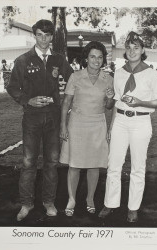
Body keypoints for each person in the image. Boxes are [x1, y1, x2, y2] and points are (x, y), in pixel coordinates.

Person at [7, 19, 73, 221]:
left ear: (52, 37)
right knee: (28, 162)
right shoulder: (23, 60)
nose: (43, 39)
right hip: (32, 118)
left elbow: (73, 80)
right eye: (39, 35)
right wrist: (28, 100)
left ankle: (48, 202)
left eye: (47, 35)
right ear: (34, 35)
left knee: (51, 162)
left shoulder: (59, 59)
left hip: (53, 117)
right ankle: (26, 204)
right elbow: (12, 87)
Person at [98, 31, 157, 222]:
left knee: (138, 166)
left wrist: (140, 103)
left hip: (141, 121)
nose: (132, 51)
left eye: (136, 48)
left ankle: (133, 207)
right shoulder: (118, 73)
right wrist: (111, 101)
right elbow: (113, 104)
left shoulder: (152, 73)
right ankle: (110, 203)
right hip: (120, 121)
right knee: (113, 164)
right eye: (128, 48)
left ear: (142, 50)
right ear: (125, 51)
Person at [59, 41, 114, 216]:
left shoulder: (109, 79)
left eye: (100, 57)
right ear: (86, 58)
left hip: (98, 124)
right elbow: (66, 102)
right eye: (92, 56)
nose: (96, 61)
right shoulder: (75, 76)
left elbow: (109, 106)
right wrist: (63, 125)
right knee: (74, 165)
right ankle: (72, 199)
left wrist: (110, 98)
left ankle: (90, 198)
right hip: (77, 124)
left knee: (94, 165)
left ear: (103, 59)